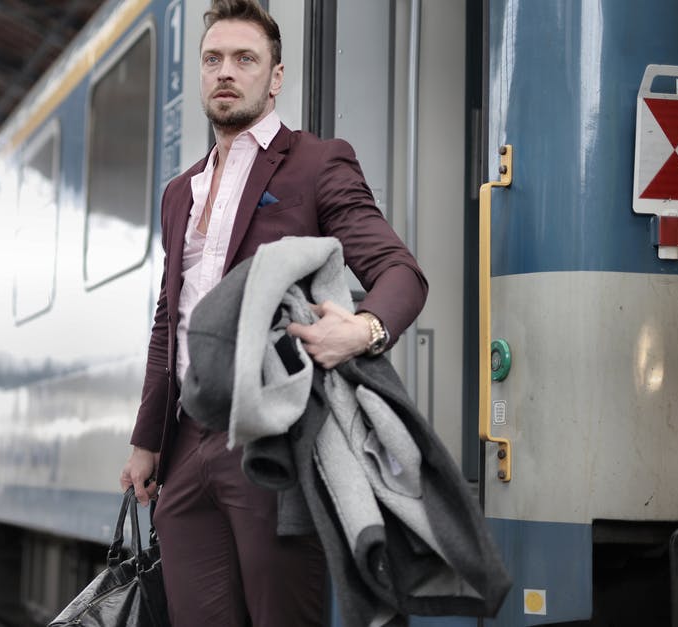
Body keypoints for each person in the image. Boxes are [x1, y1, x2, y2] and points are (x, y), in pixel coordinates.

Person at [118, 1, 428, 624]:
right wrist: (146, 441)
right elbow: (167, 320)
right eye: (213, 59)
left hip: (273, 444)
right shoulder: (180, 192)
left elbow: (401, 272)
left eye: (244, 59)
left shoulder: (316, 163)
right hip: (185, 447)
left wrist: (364, 331)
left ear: (275, 77)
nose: (225, 72)